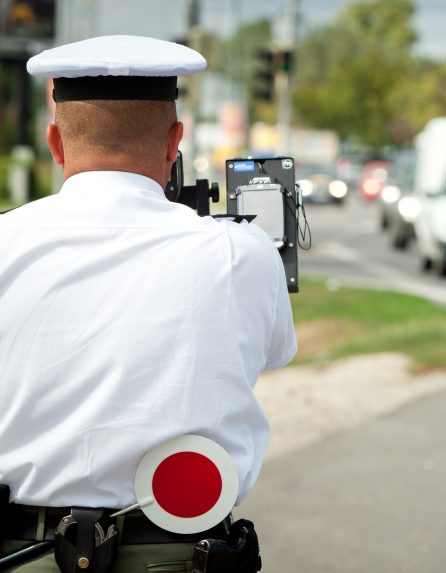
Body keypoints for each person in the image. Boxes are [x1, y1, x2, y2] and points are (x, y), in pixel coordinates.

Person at [0, 35, 297, 571]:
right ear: (173, 142)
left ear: (55, 142)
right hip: (178, 554)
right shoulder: (239, 252)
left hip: (20, 551)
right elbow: (273, 354)